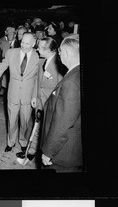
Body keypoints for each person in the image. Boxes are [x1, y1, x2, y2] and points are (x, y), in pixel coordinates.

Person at [0, 32, 39, 153]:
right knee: (11, 120)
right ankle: (11, 142)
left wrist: (35, 96)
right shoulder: (11, 53)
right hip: (13, 94)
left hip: (28, 95)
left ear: (33, 43)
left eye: (27, 43)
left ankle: (23, 141)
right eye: (22, 42)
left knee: (25, 122)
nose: (24, 46)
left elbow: (37, 79)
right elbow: (1, 66)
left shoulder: (37, 57)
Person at [16, 37, 63, 162]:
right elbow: (38, 81)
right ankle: (31, 152)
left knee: (46, 131)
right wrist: (34, 97)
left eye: (40, 48)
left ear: (48, 50)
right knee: (36, 128)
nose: (37, 49)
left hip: (50, 105)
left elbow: (60, 91)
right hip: (39, 102)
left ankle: (41, 154)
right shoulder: (43, 61)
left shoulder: (59, 67)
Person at [40, 34, 82, 172]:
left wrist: (48, 152)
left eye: (61, 51)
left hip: (62, 155)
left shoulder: (71, 83)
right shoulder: (75, 74)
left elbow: (63, 123)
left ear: (67, 53)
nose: (59, 54)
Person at [0, 26, 16, 96]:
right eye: (10, 33)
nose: (12, 35)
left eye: (13, 33)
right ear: (6, 33)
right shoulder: (1, 42)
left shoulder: (16, 42)